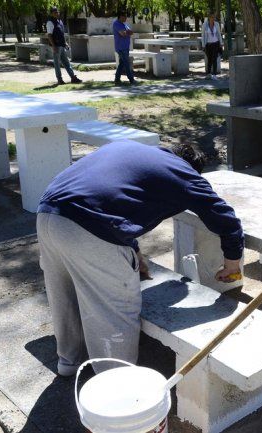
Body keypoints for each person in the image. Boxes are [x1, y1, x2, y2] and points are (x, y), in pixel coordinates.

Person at [36, 140, 244, 375]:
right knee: (114, 310)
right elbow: (226, 218)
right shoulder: (182, 172)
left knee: (64, 295)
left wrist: (134, 251)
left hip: (48, 215)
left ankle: (69, 362)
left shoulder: (129, 149)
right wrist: (232, 263)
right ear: (191, 166)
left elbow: (110, 199)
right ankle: (116, 384)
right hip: (89, 230)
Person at [46, 7, 82, 85]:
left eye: (57, 11)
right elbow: (49, 35)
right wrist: (53, 46)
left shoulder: (60, 21)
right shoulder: (50, 22)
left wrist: (65, 43)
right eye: (54, 12)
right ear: (51, 13)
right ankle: (59, 80)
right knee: (57, 64)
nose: (56, 13)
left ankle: (73, 77)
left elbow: (61, 34)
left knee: (67, 63)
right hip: (56, 46)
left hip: (62, 45)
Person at [113, 12, 136, 85]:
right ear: (120, 16)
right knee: (126, 63)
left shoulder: (124, 24)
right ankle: (131, 79)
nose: (126, 18)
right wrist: (127, 32)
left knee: (122, 63)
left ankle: (117, 79)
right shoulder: (116, 24)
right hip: (121, 47)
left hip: (125, 47)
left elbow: (131, 32)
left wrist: (126, 32)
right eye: (125, 17)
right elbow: (122, 34)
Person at [201, 14, 223, 80]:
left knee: (214, 59)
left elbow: (219, 34)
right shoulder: (205, 25)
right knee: (209, 60)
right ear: (209, 18)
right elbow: (203, 35)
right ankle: (208, 74)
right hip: (208, 44)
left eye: (213, 17)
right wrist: (203, 45)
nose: (212, 18)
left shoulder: (216, 24)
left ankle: (215, 75)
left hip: (215, 44)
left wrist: (221, 43)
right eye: (211, 17)